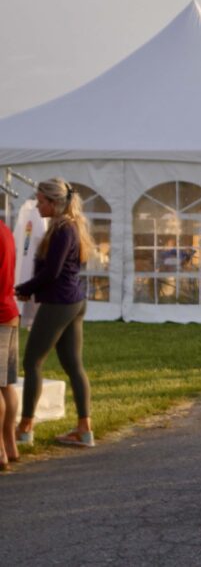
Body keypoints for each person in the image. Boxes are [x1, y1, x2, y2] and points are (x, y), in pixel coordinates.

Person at [15, 178, 96, 448]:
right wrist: (30, 289)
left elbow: (52, 272)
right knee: (73, 365)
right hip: (72, 301)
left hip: (59, 303)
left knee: (32, 362)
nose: (37, 206)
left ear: (54, 203)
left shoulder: (62, 230)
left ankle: (25, 428)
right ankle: (84, 430)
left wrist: (24, 288)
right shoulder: (69, 226)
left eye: (41, 201)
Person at [0, 218, 20, 469]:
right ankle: (10, 445)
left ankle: (0, 450)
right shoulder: (5, 230)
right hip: (9, 310)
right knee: (6, 384)